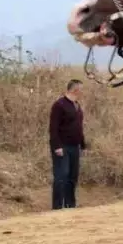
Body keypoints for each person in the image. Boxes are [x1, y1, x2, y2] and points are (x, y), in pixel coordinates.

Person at [49, 79, 85, 209]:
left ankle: (70, 205)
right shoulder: (59, 105)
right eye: (81, 89)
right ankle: (57, 206)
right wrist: (57, 146)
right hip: (62, 146)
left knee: (72, 177)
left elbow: (79, 126)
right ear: (75, 90)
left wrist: (82, 144)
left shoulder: (77, 105)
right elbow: (53, 128)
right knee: (61, 176)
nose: (82, 92)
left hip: (75, 146)